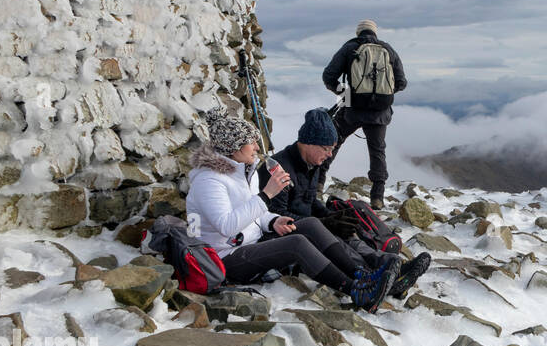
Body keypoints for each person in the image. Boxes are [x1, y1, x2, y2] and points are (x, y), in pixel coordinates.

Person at [185, 107, 396, 312]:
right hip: (224, 258)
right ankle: (355, 291)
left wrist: (273, 221)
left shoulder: (244, 172)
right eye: (252, 143)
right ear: (235, 147)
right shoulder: (209, 181)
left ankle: (360, 275)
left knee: (311, 224)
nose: (258, 148)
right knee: (296, 243)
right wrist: (267, 195)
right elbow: (227, 226)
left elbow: (254, 213)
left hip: (251, 242)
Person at [258, 107, 431, 299]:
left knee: (348, 233)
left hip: (309, 224)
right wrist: (325, 223)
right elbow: (275, 215)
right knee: (336, 240)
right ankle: (375, 277)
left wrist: (329, 216)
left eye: (332, 149)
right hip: (286, 234)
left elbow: (309, 200)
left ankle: (390, 266)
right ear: (308, 143)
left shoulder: (311, 163)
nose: (330, 155)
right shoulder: (279, 169)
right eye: (327, 149)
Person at [322, 19, 407, 209]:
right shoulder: (388, 50)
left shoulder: (350, 48)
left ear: (358, 32)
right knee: (377, 152)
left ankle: (318, 183)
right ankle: (377, 197)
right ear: (375, 32)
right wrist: (381, 94)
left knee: (333, 142)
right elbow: (401, 82)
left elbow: (328, 77)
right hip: (380, 113)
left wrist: (346, 93)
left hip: (353, 109)